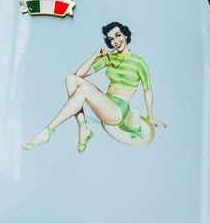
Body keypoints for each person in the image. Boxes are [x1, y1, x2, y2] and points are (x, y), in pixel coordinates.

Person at [24, 22, 163, 152]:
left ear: (126, 35)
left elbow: (148, 90)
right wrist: (96, 55)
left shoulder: (138, 62)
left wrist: (150, 117)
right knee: (70, 79)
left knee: (83, 90)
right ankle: (83, 128)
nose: (115, 41)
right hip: (105, 103)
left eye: (118, 35)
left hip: (118, 111)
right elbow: (80, 74)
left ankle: (48, 130)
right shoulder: (110, 57)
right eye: (111, 39)